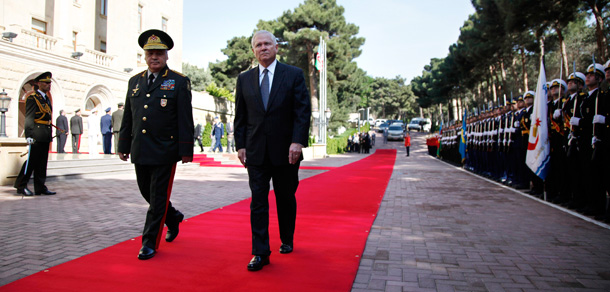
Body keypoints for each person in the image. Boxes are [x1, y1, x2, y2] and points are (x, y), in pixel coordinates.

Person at [234, 30, 311, 271]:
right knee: (258, 201)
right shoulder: (244, 79)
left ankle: (286, 238)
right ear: (253, 50)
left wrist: (298, 141)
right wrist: (240, 144)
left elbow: (302, 111)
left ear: (277, 48)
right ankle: (260, 252)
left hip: (287, 152)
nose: (263, 48)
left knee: (285, 198)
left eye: (268, 44)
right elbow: (241, 116)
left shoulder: (294, 75)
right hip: (256, 152)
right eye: (258, 45)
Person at [118, 29, 194, 260]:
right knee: (146, 192)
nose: (154, 57)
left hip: (165, 150)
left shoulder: (178, 82)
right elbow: (129, 116)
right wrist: (123, 145)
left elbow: (184, 118)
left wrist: (185, 150)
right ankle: (173, 217)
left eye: (159, 53)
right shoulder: (135, 81)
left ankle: (149, 242)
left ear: (166, 55)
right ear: (144, 55)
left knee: (157, 196)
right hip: (140, 148)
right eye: (150, 52)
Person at [14, 72, 56, 196]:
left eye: (49, 83)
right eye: (46, 83)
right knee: (31, 162)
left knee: (42, 163)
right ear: (38, 83)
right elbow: (29, 118)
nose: (48, 85)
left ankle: (40, 187)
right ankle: (21, 185)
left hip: (45, 134)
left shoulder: (46, 99)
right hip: (36, 134)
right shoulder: (33, 98)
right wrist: (29, 135)